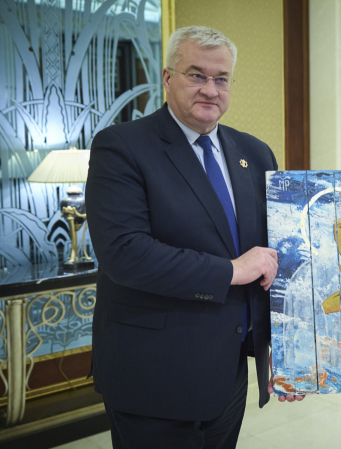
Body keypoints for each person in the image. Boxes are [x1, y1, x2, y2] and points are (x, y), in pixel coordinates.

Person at [85, 26, 300, 449]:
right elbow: (124, 254)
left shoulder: (255, 153)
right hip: (152, 374)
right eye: (196, 75)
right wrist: (231, 270)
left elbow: (274, 255)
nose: (210, 89)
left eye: (221, 78)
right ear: (168, 78)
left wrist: (290, 348)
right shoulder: (121, 147)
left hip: (228, 372)